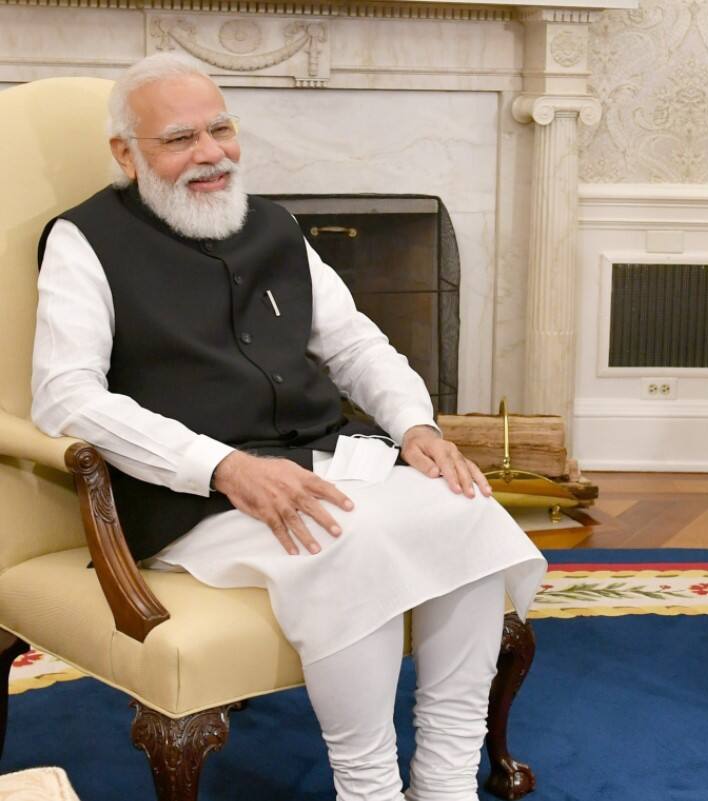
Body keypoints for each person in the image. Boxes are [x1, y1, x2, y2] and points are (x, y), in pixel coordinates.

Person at [31, 53, 546, 801]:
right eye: (179, 139)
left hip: (315, 459)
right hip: (195, 493)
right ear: (125, 153)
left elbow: (356, 343)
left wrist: (415, 426)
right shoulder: (84, 241)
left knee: (464, 508)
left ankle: (442, 782)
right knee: (348, 540)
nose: (210, 154)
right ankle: (367, 789)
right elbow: (64, 397)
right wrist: (221, 465)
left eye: (221, 129)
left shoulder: (273, 224)